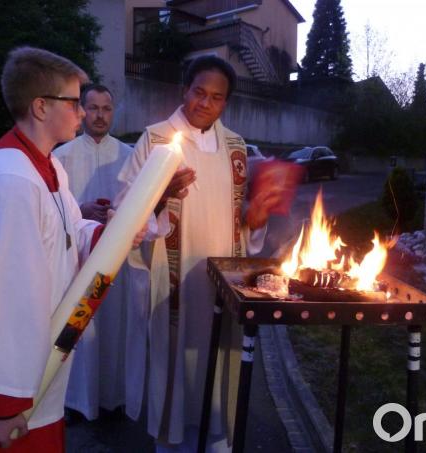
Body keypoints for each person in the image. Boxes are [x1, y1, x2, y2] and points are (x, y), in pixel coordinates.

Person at [0, 46, 143, 452]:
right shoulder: (10, 182)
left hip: (30, 375)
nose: (82, 113)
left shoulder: (46, 165)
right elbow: (6, 298)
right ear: (40, 107)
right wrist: (3, 407)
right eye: (74, 102)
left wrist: (120, 231)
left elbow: (71, 229)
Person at [117, 56, 283, 452]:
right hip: (175, 284)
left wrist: (256, 221)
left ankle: (218, 441)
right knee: (176, 369)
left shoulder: (237, 149)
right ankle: (171, 444)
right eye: (199, 92)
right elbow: (126, 213)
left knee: (219, 371)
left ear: (226, 103)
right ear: (184, 90)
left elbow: (239, 222)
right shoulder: (155, 141)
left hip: (222, 285)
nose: (205, 104)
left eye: (217, 97)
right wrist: (161, 196)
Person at [54, 84, 148, 422]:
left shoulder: (129, 156)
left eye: (106, 109)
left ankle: (114, 396)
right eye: (92, 108)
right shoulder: (61, 157)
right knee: (80, 326)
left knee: (114, 328)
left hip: (117, 262)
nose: (99, 115)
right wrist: (80, 210)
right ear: (81, 111)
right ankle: (78, 400)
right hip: (79, 262)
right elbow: (53, 212)